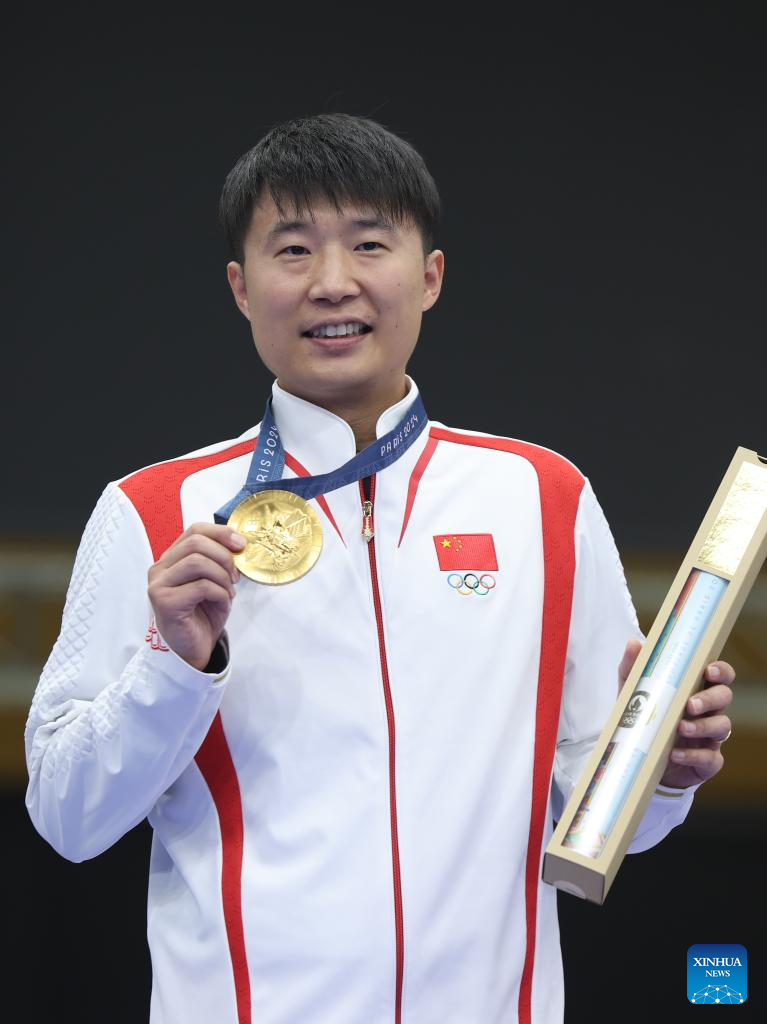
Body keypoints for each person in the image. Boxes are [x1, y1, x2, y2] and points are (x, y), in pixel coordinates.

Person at [24, 113, 735, 1024]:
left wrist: (662, 773)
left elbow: (601, 823)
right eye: (292, 250)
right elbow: (67, 817)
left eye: (368, 243)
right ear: (241, 289)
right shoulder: (154, 513)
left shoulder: (541, 498)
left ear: (429, 276)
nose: (332, 283)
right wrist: (172, 663)